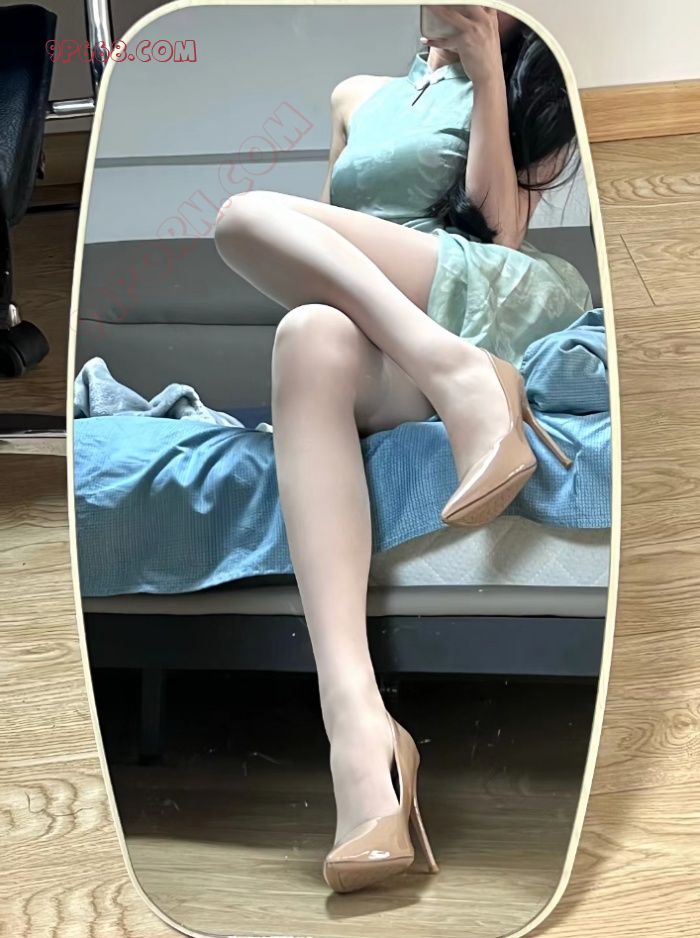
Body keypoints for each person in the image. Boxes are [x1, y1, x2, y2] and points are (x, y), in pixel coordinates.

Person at [214, 6, 587, 893]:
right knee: (307, 331)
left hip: (473, 287)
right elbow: (326, 236)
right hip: (388, 322)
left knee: (241, 214)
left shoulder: (533, 85)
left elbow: (498, 229)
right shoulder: (356, 94)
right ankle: (359, 736)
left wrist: (488, 65)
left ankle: (464, 370)